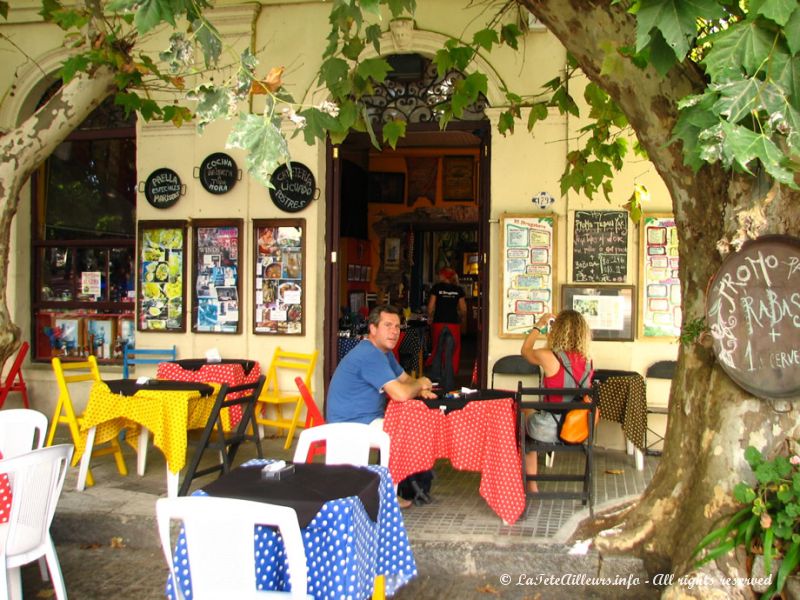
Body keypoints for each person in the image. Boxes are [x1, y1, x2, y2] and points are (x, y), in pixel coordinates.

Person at [520, 309, 593, 492]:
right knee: (530, 415)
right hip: (579, 430)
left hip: (549, 430)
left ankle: (532, 484)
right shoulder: (589, 362)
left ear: (558, 330)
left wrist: (540, 325)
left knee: (524, 414)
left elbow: (525, 351)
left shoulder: (548, 356)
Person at [327, 304, 437, 425]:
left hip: (366, 420)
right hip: (350, 427)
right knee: (416, 427)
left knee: (417, 423)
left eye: (397, 326)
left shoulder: (384, 352)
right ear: (373, 329)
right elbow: (401, 394)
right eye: (388, 325)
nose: (395, 332)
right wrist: (420, 383)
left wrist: (419, 390)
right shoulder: (369, 354)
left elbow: (405, 379)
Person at [425, 267, 466, 385]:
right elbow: (463, 309)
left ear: (443, 276)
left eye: (440, 274)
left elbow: (431, 306)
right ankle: (448, 381)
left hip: (439, 322)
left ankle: (435, 379)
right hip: (453, 323)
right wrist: (461, 319)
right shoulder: (458, 290)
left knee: (437, 350)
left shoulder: (436, 288)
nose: (438, 276)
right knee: (450, 352)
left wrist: (430, 317)